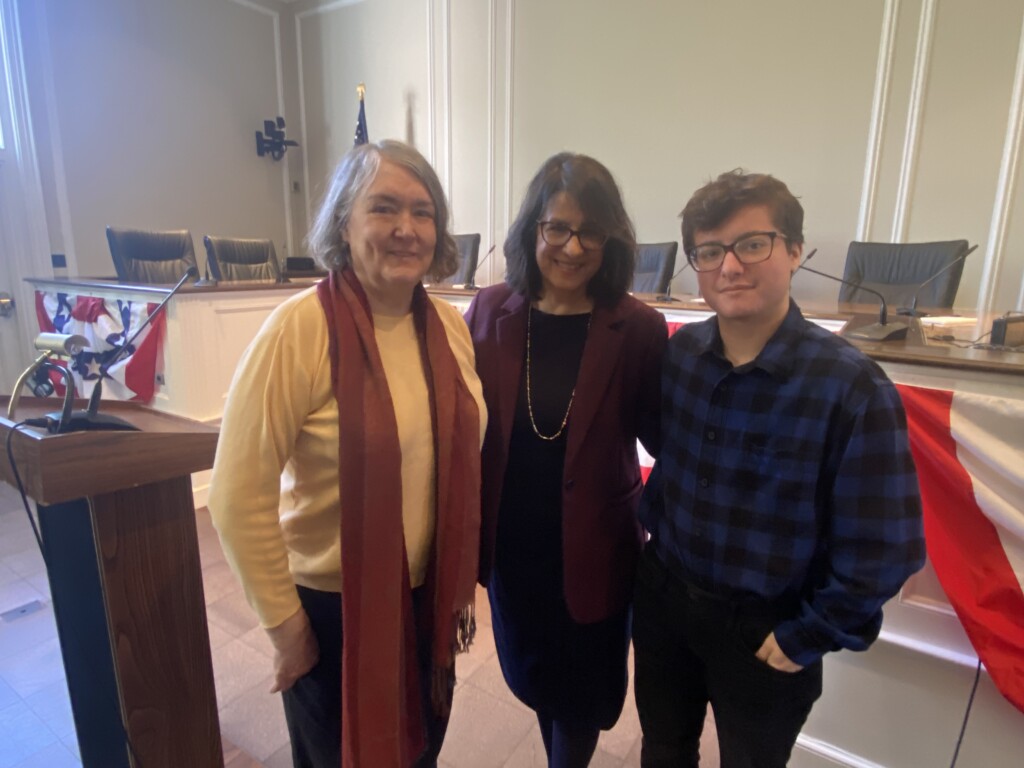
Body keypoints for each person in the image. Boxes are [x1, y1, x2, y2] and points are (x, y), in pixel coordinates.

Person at [633, 169, 926, 767]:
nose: (729, 267)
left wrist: (806, 638)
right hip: (665, 598)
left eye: (752, 244)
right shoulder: (681, 355)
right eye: (709, 252)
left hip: (766, 629)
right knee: (664, 748)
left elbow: (884, 551)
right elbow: (668, 453)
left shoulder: (851, 389)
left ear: (795, 251)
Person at [207, 139, 487, 768]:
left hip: (427, 595)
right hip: (336, 611)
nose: (406, 229)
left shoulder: (449, 327)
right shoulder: (298, 330)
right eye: (383, 208)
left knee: (420, 751)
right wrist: (286, 627)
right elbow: (236, 494)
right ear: (344, 221)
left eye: (422, 211)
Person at [464, 152, 667, 767]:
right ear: (534, 230)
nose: (574, 248)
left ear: (612, 240)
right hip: (515, 551)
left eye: (592, 232)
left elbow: (665, 438)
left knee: (583, 698)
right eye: (558, 228)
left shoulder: (637, 328)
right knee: (533, 678)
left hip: (595, 550)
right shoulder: (490, 310)